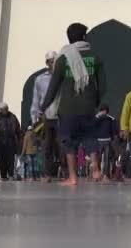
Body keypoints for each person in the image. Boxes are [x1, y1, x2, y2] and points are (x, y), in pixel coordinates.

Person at [40, 22, 106, 186]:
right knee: (90, 137)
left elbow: (53, 87)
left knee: (69, 142)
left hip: (68, 108)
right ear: (84, 37)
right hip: (88, 107)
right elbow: (103, 86)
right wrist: (95, 100)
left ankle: (73, 177)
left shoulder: (63, 58)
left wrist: (43, 106)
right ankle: (96, 169)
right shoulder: (95, 57)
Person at [31, 50, 62, 182]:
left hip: (61, 116)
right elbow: (36, 100)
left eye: (54, 61)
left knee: (62, 146)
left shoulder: (63, 77)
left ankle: (65, 172)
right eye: (50, 61)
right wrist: (34, 118)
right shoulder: (40, 79)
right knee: (46, 147)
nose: (52, 63)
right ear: (46, 63)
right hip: (46, 117)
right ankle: (46, 174)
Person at [0, 103, 21, 181]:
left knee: (11, 159)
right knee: (2, 159)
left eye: (6, 109)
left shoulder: (13, 117)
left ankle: (10, 175)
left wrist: (19, 139)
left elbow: (18, 129)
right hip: (0, 141)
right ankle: (3, 176)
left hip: (10, 141)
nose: (4, 110)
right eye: (3, 109)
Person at [95, 104, 119, 182]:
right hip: (98, 141)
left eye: (105, 111)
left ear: (107, 111)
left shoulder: (110, 119)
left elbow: (114, 129)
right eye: (102, 111)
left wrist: (113, 138)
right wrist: (98, 116)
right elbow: (92, 125)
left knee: (107, 159)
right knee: (97, 159)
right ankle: (97, 175)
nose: (103, 112)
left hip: (107, 141)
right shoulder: (96, 118)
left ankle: (106, 175)